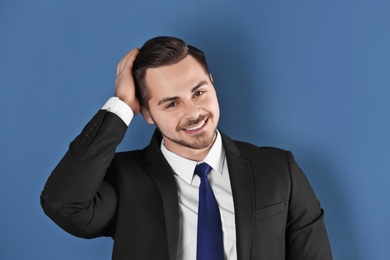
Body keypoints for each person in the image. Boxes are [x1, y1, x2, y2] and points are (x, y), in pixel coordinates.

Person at [41, 36, 332, 260]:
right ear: (147, 113)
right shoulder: (124, 179)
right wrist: (121, 107)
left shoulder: (279, 169)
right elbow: (62, 204)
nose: (194, 112)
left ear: (212, 84)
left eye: (199, 92)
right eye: (171, 103)